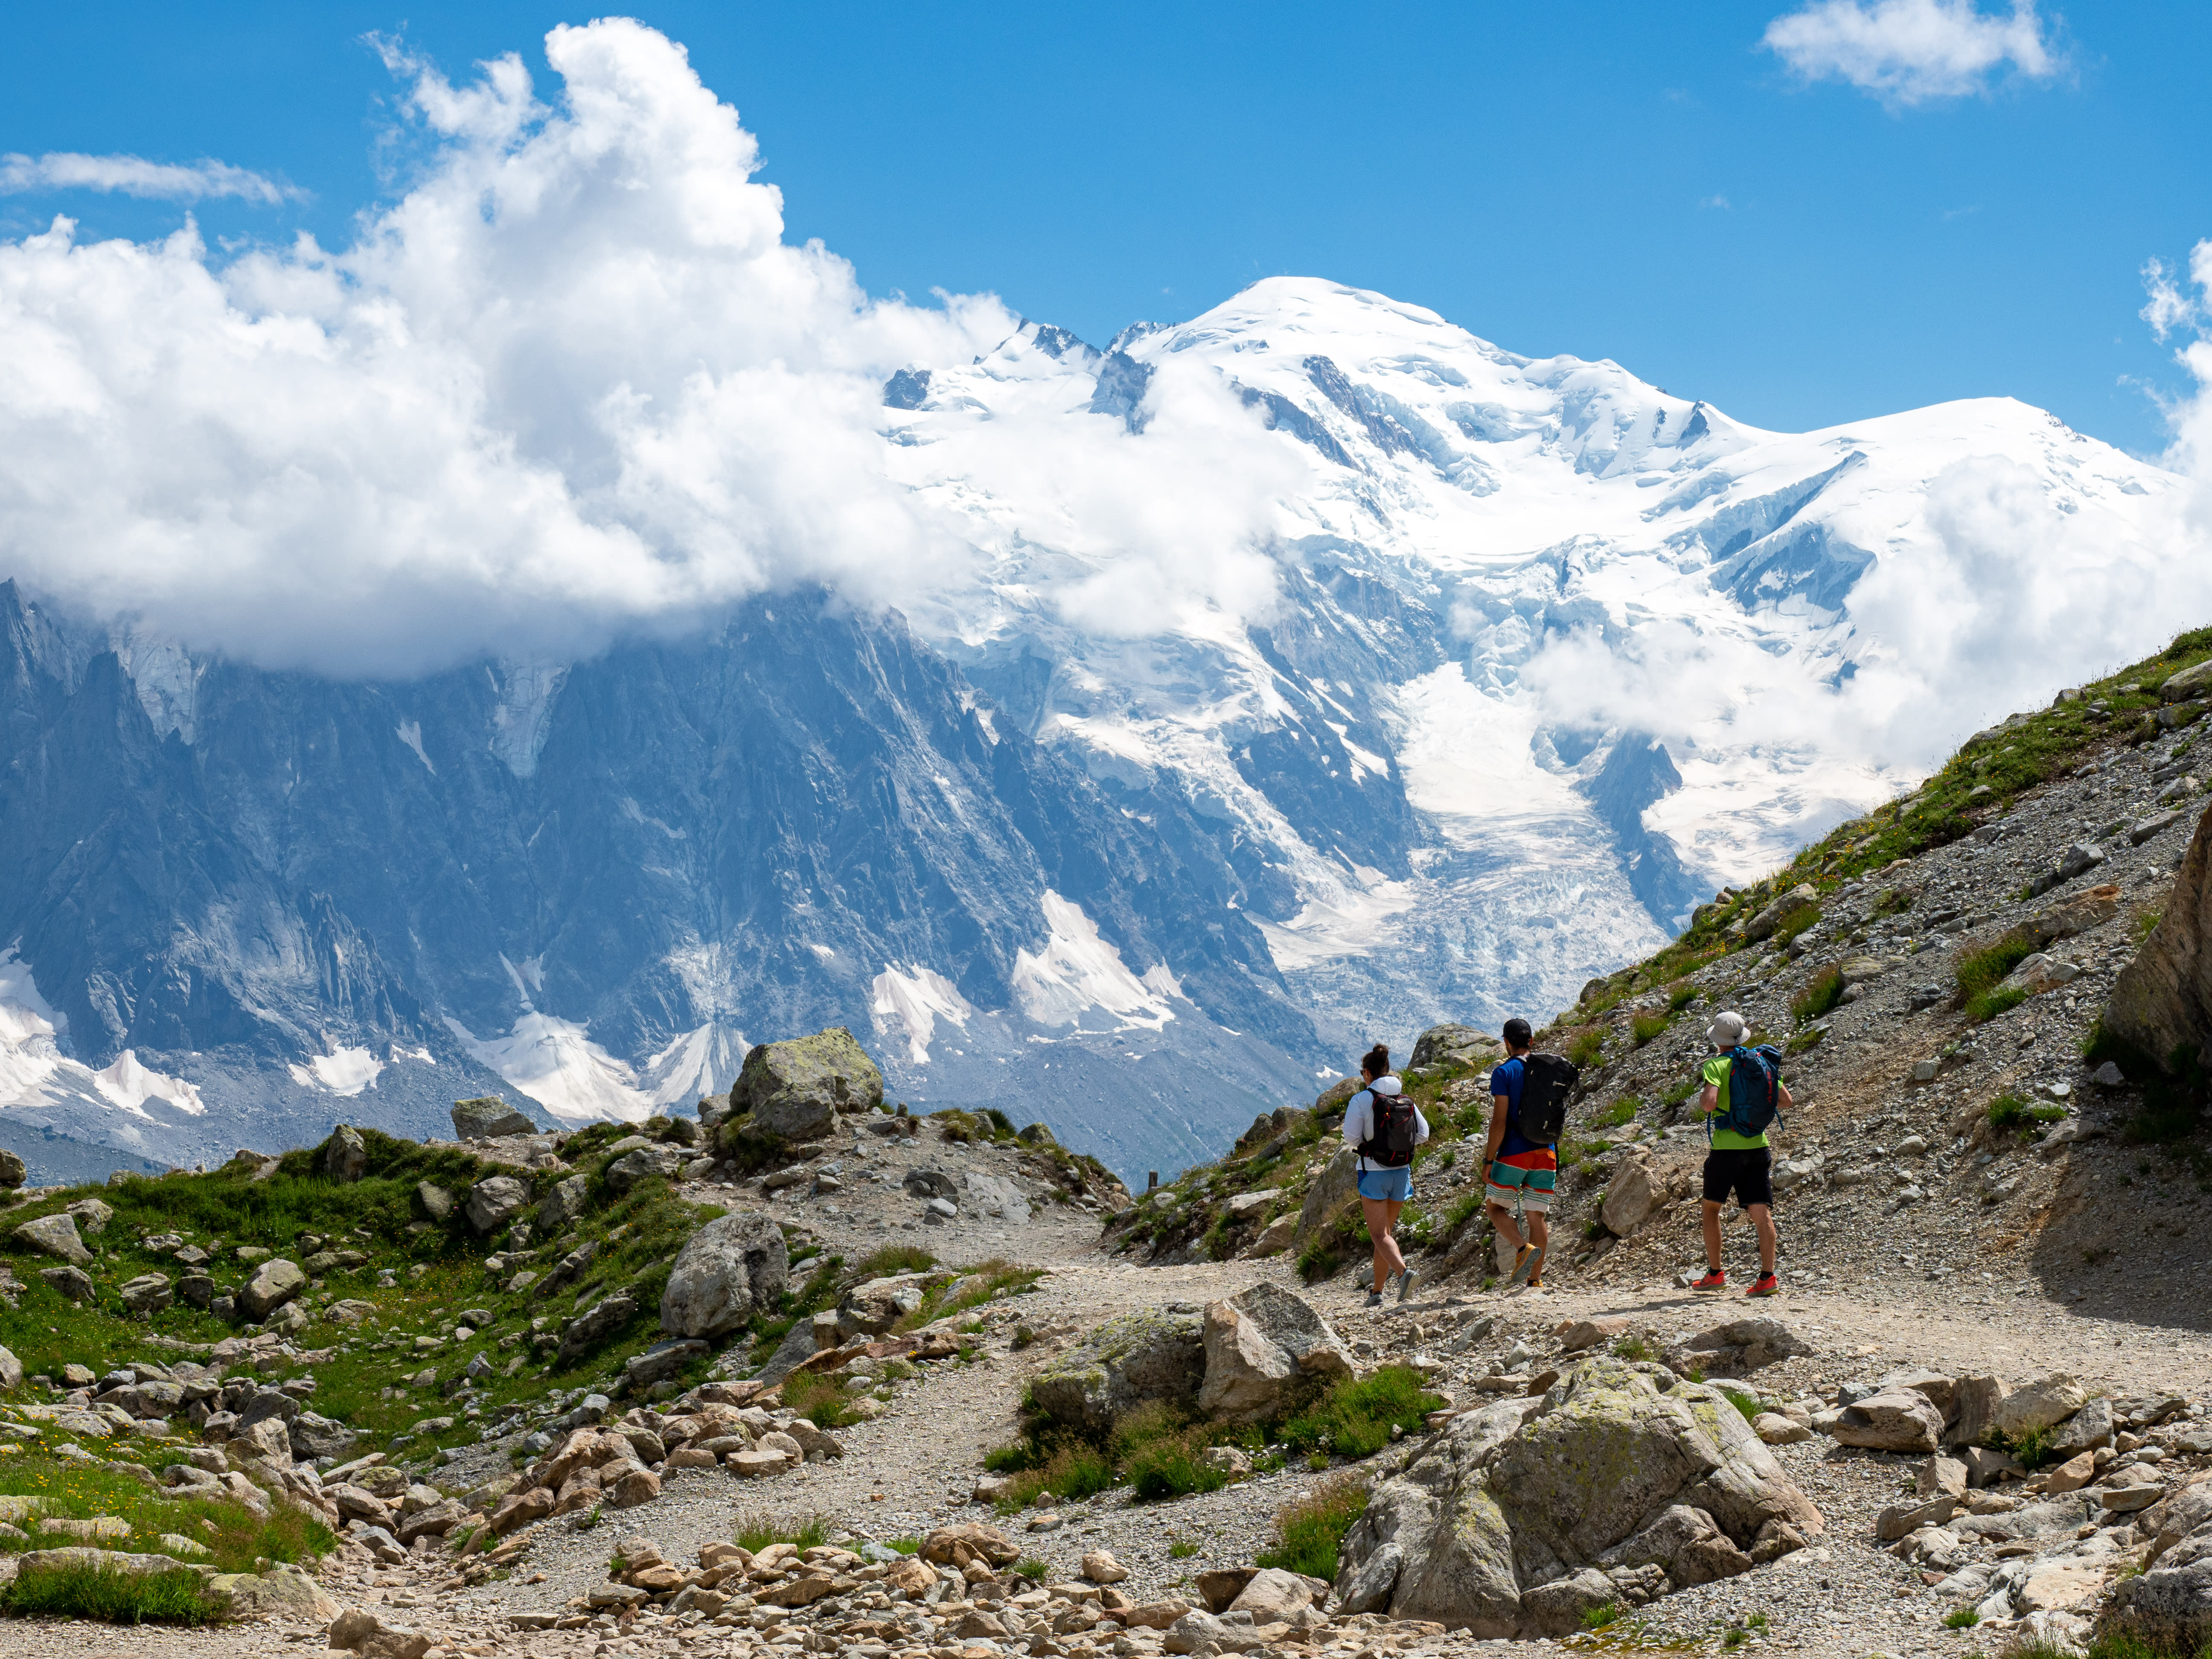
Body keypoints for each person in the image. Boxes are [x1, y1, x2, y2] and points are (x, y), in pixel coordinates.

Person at [1691, 1010, 1789, 1297]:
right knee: (1761, 1213)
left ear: (1717, 1039)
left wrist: (1711, 1100)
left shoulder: (1717, 1065)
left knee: (1711, 1208)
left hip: (1725, 1150)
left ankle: (1715, 1274)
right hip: (1758, 1146)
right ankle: (1768, 1278)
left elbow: (1709, 1105)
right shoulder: (1761, 1061)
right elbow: (1785, 1101)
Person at [1344, 1042, 1429, 1307]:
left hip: (1374, 1173)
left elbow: (1351, 1137)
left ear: (1368, 1074)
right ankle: (1377, 1293)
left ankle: (1404, 1274)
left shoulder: (1362, 1100)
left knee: (1379, 1235)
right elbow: (1424, 1135)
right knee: (1385, 1234)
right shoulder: (1405, 1100)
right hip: (1401, 1173)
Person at [1484, 1017, 1557, 1289]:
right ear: (1531, 1042)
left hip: (1515, 1152)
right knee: (1536, 1216)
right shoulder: (1548, 1070)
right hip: (1547, 1153)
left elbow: (1499, 1122)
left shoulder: (1504, 1073)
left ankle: (1521, 1248)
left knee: (1495, 1208)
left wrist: (1489, 1160)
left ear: (1506, 1043)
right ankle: (1535, 1280)